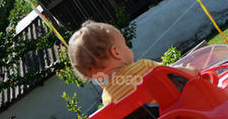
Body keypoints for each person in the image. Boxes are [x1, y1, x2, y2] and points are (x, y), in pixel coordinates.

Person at [68, 20, 199, 107]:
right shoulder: (144, 67)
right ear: (116, 52)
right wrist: (189, 70)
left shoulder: (107, 99)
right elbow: (179, 77)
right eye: (125, 45)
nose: (128, 49)